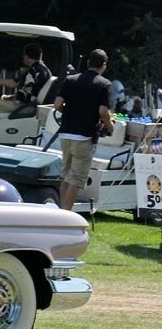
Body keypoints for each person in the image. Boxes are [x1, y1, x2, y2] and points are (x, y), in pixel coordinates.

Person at [52, 49, 114, 211]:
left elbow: (57, 104)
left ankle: (61, 212)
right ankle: (66, 214)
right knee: (76, 178)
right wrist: (110, 126)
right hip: (84, 136)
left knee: (66, 175)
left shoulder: (70, 79)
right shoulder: (104, 84)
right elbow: (103, 112)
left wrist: (68, 111)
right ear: (104, 65)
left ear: (88, 63)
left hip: (65, 133)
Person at [0, 43, 52, 139]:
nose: (23, 58)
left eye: (24, 55)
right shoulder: (44, 70)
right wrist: (11, 97)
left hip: (25, 107)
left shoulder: (34, 71)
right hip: (29, 105)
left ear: (27, 56)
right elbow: (30, 90)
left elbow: (13, 83)